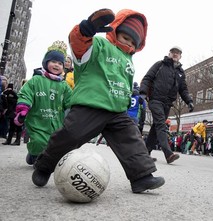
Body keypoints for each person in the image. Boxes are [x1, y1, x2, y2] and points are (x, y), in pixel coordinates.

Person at [31, 8, 165, 193]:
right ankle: (45, 165)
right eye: (125, 38)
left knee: (132, 140)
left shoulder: (128, 61)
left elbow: (125, 83)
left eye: (134, 42)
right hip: (91, 104)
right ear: (115, 31)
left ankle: (141, 176)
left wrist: (127, 100)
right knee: (70, 136)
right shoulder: (100, 45)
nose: (129, 44)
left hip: (117, 111)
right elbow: (79, 47)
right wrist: (85, 31)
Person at [14, 41, 72, 164]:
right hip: (37, 120)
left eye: (60, 63)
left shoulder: (64, 85)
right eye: (53, 62)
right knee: (39, 141)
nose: (56, 65)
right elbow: (26, 93)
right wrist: (23, 108)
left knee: (54, 144)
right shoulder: (36, 80)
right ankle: (33, 154)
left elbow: (71, 100)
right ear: (46, 63)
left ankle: (43, 158)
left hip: (56, 121)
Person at [140, 46, 194, 163]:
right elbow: (147, 78)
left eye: (178, 53)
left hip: (167, 103)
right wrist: (143, 93)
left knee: (156, 127)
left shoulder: (180, 72)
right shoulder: (160, 65)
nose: (175, 54)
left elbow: (183, 89)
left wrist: (189, 101)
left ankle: (144, 153)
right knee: (160, 125)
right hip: (155, 100)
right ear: (169, 53)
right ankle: (168, 154)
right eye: (173, 52)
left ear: (180, 56)